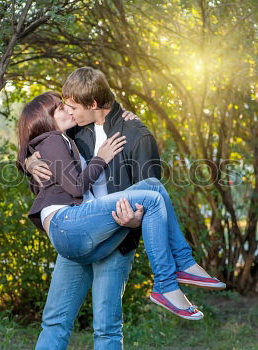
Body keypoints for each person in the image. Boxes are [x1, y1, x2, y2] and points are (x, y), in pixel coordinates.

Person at [22, 68, 225, 349]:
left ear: (92, 105)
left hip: (115, 237)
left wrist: (135, 221)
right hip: (79, 224)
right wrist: (28, 162)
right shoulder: (73, 130)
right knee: (56, 320)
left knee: (108, 329)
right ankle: (174, 276)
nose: (68, 110)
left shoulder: (135, 134)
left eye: (71, 106)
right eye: (63, 107)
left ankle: (181, 270)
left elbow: (151, 206)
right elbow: (36, 134)